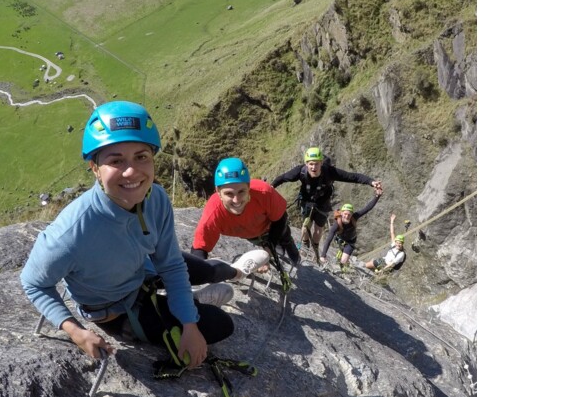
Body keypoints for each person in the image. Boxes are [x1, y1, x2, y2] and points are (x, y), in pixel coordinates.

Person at [21, 101, 258, 370]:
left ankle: (237, 272)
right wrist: (76, 331)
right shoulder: (72, 232)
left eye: (141, 156)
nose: (132, 171)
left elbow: (170, 264)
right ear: (95, 168)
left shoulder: (155, 198)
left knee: (208, 269)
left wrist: (188, 323)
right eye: (116, 160)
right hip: (118, 309)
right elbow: (34, 283)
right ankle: (195, 301)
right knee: (220, 325)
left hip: (143, 267)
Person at [270, 147, 382, 261]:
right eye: (311, 164)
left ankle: (315, 249)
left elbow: (352, 177)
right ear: (306, 163)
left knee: (318, 230)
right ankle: (305, 244)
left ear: (321, 163)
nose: (314, 167)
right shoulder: (300, 171)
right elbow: (283, 178)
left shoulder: (329, 172)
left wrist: (371, 182)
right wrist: (271, 187)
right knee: (306, 226)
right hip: (307, 201)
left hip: (323, 203)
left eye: (317, 164)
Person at [191, 156, 299, 270]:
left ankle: (289, 245)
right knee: (258, 241)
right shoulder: (213, 213)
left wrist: (267, 252)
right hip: (250, 234)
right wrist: (200, 273)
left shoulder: (264, 193)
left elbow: (280, 218)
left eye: (241, 192)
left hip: (272, 226)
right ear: (218, 192)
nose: (236, 200)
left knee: (285, 237)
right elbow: (200, 249)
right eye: (229, 194)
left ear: (248, 187)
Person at [317, 184, 383, 267]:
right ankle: (341, 253)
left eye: (349, 214)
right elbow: (328, 239)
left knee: (343, 262)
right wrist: (323, 255)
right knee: (341, 256)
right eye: (345, 214)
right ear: (341, 213)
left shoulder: (354, 217)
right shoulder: (337, 224)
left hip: (350, 242)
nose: (347, 216)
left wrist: (377, 196)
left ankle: (344, 260)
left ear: (352, 214)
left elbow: (367, 208)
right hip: (340, 240)